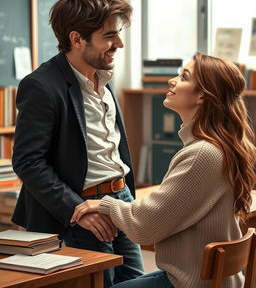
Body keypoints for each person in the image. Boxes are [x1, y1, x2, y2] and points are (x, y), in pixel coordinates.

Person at [70, 52, 256, 288]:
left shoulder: (202, 154)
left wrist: (105, 204)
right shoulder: (217, 148)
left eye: (184, 76)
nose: (172, 80)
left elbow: (145, 227)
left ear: (201, 96)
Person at [11, 0, 144, 288]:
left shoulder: (104, 76)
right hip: (81, 209)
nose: (119, 44)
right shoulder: (42, 86)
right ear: (76, 38)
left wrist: (128, 200)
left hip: (120, 200)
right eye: (109, 35)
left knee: (136, 281)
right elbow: (28, 161)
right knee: (102, 284)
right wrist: (75, 210)